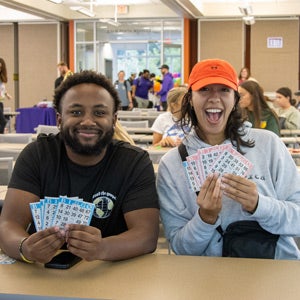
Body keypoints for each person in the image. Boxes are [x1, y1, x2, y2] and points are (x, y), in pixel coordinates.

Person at [0, 70, 159, 263]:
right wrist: (25, 248)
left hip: (111, 275)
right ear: (59, 119)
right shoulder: (37, 155)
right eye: (76, 112)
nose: (87, 121)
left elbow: (146, 236)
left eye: (99, 113)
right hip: (41, 276)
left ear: (114, 120)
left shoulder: (134, 162)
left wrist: (102, 248)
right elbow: (8, 224)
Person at [157, 58, 300, 259]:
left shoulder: (269, 145)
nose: (214, 98)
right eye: (204, 89)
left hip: (274, 270)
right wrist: (205, 218)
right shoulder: (171, 165)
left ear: (235, 99)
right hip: (209, 278)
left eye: (224, 90)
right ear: (190, 99)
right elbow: (180, 248)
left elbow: (297, 220)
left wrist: (259, 205)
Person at [0, 58, 12, 134]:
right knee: (3, 121)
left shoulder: (1, 79)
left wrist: (7, 94)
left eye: (0, 68)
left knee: (1, 121)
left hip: (1, 101)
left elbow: (2, 89)